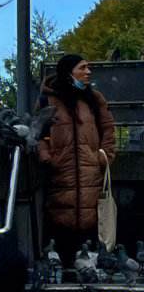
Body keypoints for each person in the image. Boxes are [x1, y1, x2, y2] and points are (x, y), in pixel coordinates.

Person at [37, 54, 116, 264]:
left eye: (88, 68)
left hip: (91, 173)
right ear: (69, 72)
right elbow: (39, 133)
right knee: (60, 224)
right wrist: (47, 157)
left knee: (90, 224)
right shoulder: (48, 100)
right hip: (61, 174)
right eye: (83, 68)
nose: (88, 72)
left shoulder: (94, 98)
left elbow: (108, 130)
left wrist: (104, 156)